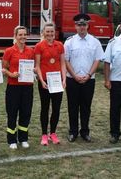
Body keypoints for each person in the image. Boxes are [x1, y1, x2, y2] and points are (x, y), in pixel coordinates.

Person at [64, 13, 104, 142]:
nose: (82, 27)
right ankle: (73, 132)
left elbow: (97, 60)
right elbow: (66, 60)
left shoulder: (95, 42)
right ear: (75, 26)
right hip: (72, 79)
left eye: (84, 24)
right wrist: (75, 76)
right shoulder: (69, 42)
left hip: (89, 80)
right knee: (72, 106)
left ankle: (85, 132)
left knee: (86, 107)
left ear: (88, 25)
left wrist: (88, 75)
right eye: (79, 25)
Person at [2, 26, 34, 149]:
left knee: (26, 113)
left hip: (27, 87)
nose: (23, 37)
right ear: (15, 36)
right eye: (20, 34)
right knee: (12, 113)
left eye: (25, 34)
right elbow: (4, 68)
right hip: (13, 87)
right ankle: (11, 140)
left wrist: (34, 71)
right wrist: (11, 74)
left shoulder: (31, 51)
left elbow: (33, 67)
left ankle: (23, 138)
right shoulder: (9, 50)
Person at [34, 23, 66, 146]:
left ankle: (53, 133)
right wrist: (41, 81)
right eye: (47, 32)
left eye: (52, 32)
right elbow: (37, 65)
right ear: (43, 33)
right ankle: (44, 134)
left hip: (57, 81)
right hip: (45, 82)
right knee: (45, 108)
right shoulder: (39, 46)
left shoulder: (60, 45)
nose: (50, 34)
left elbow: (63, 63)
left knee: (56, 108)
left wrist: (64, 80)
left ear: (55, 33)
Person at [104, 32, 121, 143]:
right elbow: (107, 62)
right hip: (116, 80)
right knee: (115, 108)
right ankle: (115, 133)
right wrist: (107, 80)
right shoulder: (113, 42)